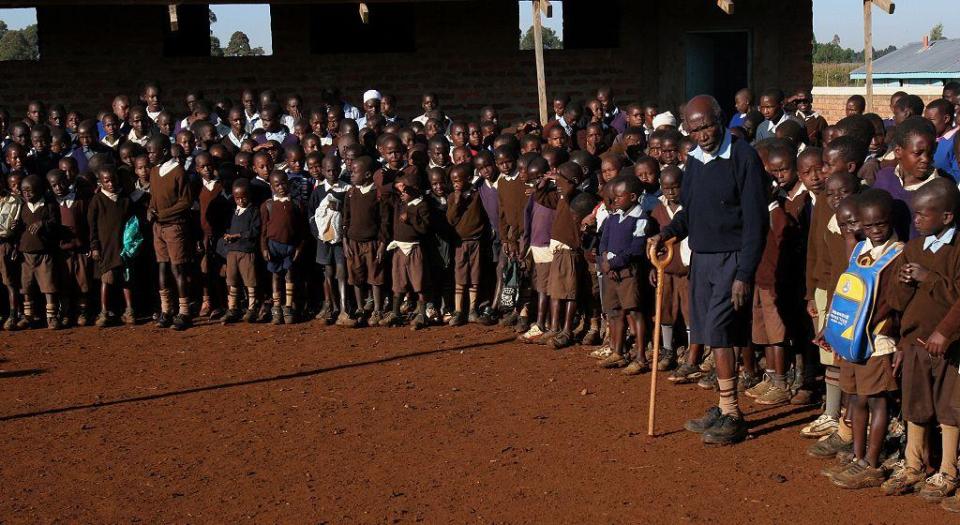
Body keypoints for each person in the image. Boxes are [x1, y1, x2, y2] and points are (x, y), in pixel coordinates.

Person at [650, 95, 769, 445]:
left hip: (732, 258)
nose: (702, 134)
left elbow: (756, 221)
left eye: (707, 125)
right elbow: (692, 211)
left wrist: (745, 272)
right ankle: (722, 404)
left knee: (719, 331)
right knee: (707, 330)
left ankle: (733, 412)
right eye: (694, 128)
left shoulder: (743, 157)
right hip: (702, 258)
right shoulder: (697, 162)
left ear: (720, 119)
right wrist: (669, 232)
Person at [883, 178, 960, 500]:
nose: (916, 220)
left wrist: (929, 280)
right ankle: (913, 464)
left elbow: (956, 296)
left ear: (946, 217)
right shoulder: (913, 249)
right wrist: (902, 283)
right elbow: (896, 301)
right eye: (914, 214)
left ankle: (947, 471)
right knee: (917, 405)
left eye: (922, 215)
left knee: (950, 408)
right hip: (915, 343)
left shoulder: (956, 252)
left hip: (949, 347)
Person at [820, 189, 901, 489]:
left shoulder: (897, 253)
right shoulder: (860, 249)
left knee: (877, 402)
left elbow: (892, 299)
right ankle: (857, 457)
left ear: (891, 220)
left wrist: (866, 324)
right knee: (855, 398)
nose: (876, 230)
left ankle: (872, 462)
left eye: (881, 224)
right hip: (852, 338)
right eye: (868, 226)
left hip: (877, 340)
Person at [598, 175, 651, 373]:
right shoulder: (613, 217)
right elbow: (604, 240)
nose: (616, 200)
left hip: (628, 273)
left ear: (633, 196)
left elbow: (636, 248)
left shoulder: (641, 219)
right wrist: (604, 260)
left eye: (620, 196)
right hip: (610, 272)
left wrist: (612, 263)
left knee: (635, 312)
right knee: (615, 312)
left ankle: (641, 357)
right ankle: (618, 352)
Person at [146, 135, 194, 330]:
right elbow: (153, 197)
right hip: (158, 228)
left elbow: (186, 201)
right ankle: (166, 310)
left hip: (174, 226)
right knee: (162, 268)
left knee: (178, 269)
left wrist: (163, 214)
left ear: (164, 151)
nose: (149, 154)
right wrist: (150, 209)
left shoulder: (178, 172)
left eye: (152, 151)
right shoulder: (154, 171)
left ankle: (184, 312)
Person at [88, 166, 139, 326]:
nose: (111, 184)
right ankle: (104, 311)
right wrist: (94, 246)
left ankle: (129, 310)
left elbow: (132, 224)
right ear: (100, 182)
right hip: (105, 247)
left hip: (123, 246)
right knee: (107, 279)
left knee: (126, 278)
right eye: (106, 181)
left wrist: (131, 245)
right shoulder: (97, 201)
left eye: (113, 180)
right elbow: (92, 227)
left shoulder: (125, 199)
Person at [342, 155, 390, 327]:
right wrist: (345, 242)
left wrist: (382, 244)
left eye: (355, 171)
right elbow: (345, 220)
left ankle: (377, 309)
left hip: (372, 243)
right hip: (353, 243)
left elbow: (384, 221)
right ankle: (361, 308)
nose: (351, 174)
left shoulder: (377, 194)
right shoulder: (350, 193)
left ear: (368, 174)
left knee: (375, 277)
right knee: (356, 277)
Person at [381, 174, 430, 330]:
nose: (402, 193)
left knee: (419, 282)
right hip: (399, 249)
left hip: (414, 248)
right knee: (398, 282)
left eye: (406, 190)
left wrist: (410, 218)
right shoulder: (399, 203)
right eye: (401, 189)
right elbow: (383, 191)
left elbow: (424, 228)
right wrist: (397, 185)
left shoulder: (421, 205)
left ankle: (421, 314)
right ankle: (395, 313)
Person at [47, 169, 91, 327]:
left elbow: (88, 224)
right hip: (62, 251)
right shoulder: (52, 203)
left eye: (61, 183)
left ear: (67, 181)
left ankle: (82, 312)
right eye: (54, 185)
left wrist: (89, 244)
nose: (58, 187)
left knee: (82, 281)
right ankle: (65, 313)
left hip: (80, 248)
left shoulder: (79, 200)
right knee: (64, 282)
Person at [260, 170, 305, 325]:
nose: (281, 187)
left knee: (289, 274)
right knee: (276, 275)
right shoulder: (268, 205)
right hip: (273, 246)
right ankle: (277, 307)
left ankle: (288, 307)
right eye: (277, 184)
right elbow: (263, 230)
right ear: (272, 187)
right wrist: (264, 248)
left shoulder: (296, 204)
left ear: (289, 183)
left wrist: (300, 246)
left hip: (291, 246)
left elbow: (302, 229)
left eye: (283, 183)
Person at [446, 164, 487, 326]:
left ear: (468, 179)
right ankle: (458, 310)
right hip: (459, 243)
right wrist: (457, 202)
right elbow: (450, 220)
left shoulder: (477, 195)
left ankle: (472, 310)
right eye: (453, 181)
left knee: (474, 276)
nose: (456, 183)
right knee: (460, 276)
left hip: (475, 241)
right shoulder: (451, 197)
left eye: (458, 180)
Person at [17, 174, 60, 329]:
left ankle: (51, 316)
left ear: (40, 190)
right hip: (26, 253)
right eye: (24, 191)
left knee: (48, 285)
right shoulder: (22, 207)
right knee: (26, 285)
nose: (27, 194)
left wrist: (43, 223)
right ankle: (28, 316)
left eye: (30, 190)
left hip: (44, 253)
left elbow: (55, 223)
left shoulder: (49, 206)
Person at [220, 179, 261, 324]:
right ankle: (232, 308)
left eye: (244, 197)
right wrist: (227, 236)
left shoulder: (254, 211)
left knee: (250, 281)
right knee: (232, 280)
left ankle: (252, 308)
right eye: (237, 198)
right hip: (232, 251)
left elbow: (255, 231)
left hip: (246, 251)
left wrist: (238, 235)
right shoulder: (233, 212)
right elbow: (227, 228)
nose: (241, 200)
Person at [922, 99, 960, 181]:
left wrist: (934, 173)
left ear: (946, 118)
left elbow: (957, 176)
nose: (927, 124)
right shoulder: (930, 138)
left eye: (931, 120)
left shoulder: (956, 141)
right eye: (925, 120)